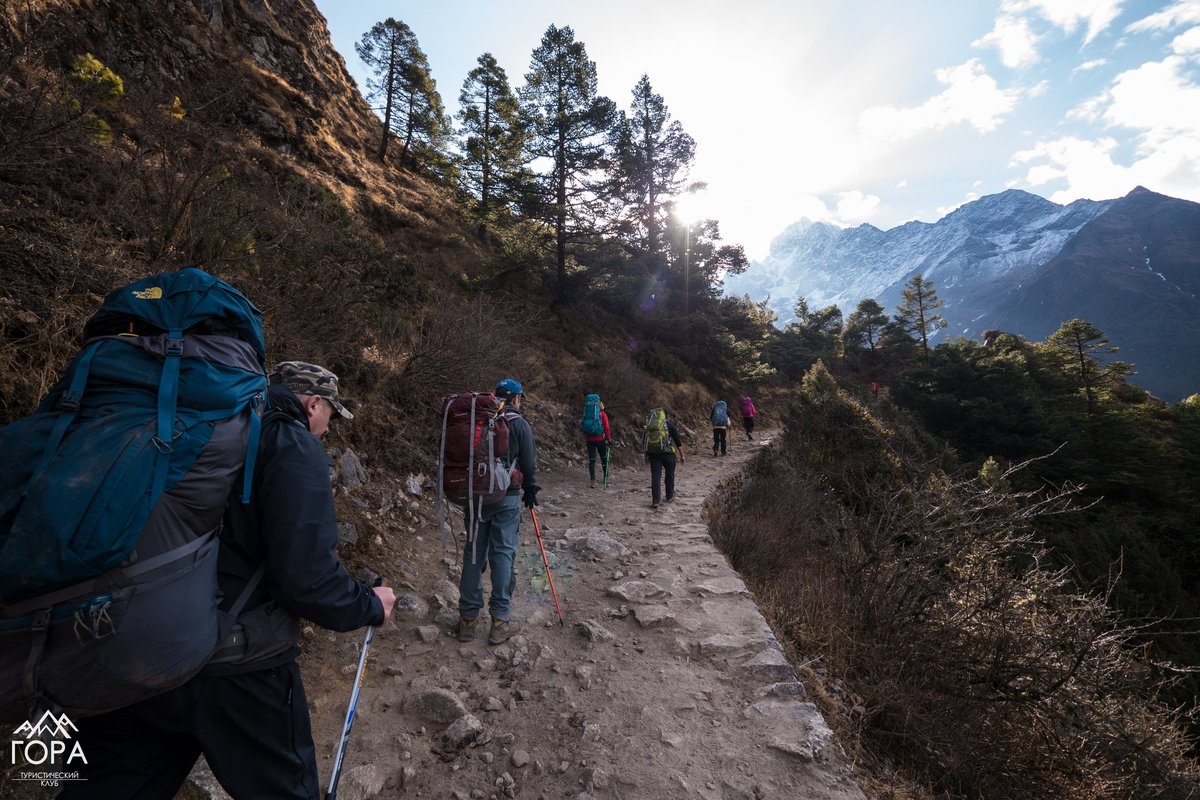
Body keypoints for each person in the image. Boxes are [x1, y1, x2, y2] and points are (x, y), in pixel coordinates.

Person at [63, 361, 397, 800]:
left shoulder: (192, 428)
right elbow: (306, 579)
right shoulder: (290, 443)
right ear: (313, 403)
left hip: (135, 649)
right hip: (238, 667)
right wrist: (368, 604)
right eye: (330, 416)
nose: (328, 429)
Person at [457, 378, 539, 646]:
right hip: (507, 497)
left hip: (475, 497)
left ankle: (467, 621)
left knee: (473, 554)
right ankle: (499, 622)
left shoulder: (478, 419)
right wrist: (531, 489)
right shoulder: (518, 424)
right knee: (502, 554)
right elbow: (528, 462)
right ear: (516, 398)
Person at [644, 407, 684, 509]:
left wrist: (647, 455)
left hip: (654, 454)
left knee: (656, 476)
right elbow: (678, 442)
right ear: (667, 415)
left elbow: (645, 441)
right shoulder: (669, 425)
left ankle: (656, 501)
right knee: (669, 474)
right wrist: (682, 455)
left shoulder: (650, 425)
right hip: (668, 454)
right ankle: (669, 495)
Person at [586, 399, 611, 488]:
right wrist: (609, 439)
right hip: (600, 439)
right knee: (604, 459)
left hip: (589, 439)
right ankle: (605, 478)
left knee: (592, 460)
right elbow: (607, 427)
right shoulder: (602, 414)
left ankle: (593, 480)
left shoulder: (587, 412)